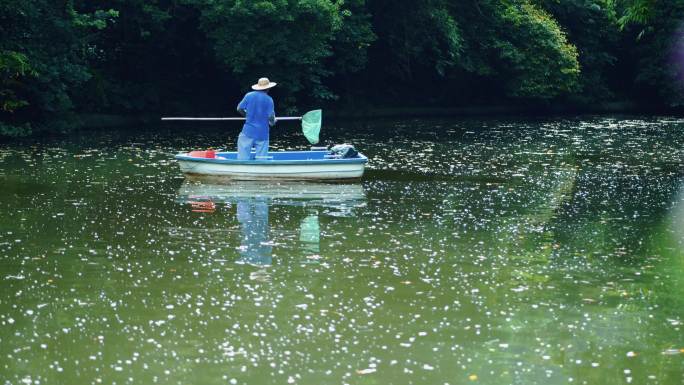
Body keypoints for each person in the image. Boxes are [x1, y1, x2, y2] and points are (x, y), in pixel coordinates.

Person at [236, 77, 277, 160]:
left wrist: (247, 116)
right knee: (262, 159)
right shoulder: (269, 100)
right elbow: (271, 116)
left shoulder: (249, 95)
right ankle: (260, 171)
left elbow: (239, 109)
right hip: (262, 132)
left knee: (242, 158)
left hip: (248, 131)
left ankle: (241, 170)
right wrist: (272, 122)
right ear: (268, 88)